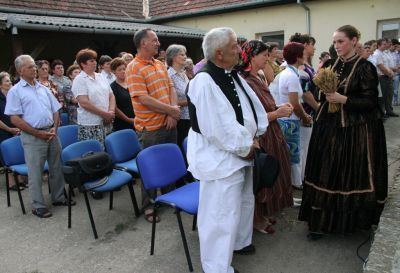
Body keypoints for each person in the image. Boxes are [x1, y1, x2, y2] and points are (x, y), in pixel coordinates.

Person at [187, 27, 268, 273]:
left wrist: (257, 134)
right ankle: (216, 267)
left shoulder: (230, 74)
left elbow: (250, 106)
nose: (239, 50)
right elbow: (217, 127)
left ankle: (240, 242)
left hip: (240, 150)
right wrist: (246, 146)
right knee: (220, 214)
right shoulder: (204, 81)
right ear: (219, 53)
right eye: (234, 46)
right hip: (219, 157)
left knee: (243, 200)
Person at [299, 25, 388, 239]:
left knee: (345, 175)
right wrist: (323, 92)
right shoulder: (329, 64)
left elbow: (370, 102)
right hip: (326, 128)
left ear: (354, 40)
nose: (337, 46)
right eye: (335, 41)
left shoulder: (365, 68)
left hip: (351, 132)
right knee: (324, 171)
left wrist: (344, 99)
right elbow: (317, 94)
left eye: (341, 41)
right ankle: (318, 223)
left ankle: (347, 223)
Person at [5, 55, 75, 218]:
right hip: (33, 137)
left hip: (51, 133)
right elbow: (14, 118)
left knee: (56, 167)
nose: (34, 69)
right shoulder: (15, 91)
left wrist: (54, 129)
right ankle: (38, 205)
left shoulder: (43, 88)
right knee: (35, 172)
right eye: (30, 67)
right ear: (20, 70)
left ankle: (58, 197)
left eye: (34, 66)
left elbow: (55, 109)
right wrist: (38, 133)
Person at [238, 40, 294, 234]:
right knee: (260, 178)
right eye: (264, 55)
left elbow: (265, 108)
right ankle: (255, 219)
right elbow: (252, 119)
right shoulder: (244, 81)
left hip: (271, 131)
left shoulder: (257, 76)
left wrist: (278, 108)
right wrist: (276, 114)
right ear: (252, 57)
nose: (267, 59)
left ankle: (262, 214)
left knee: (271, 175)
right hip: (261, 135)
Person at [126, 28, 180, 223]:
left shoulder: (158, 63)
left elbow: (171, 87)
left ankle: (169, 198)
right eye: (155, 40)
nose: (158, 43)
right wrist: (171, 111)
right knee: (150, 167)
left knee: (168, 163)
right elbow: (143, 98)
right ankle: (148, 205)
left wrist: (172, 111)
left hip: (168, 122)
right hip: (150, 128)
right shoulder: (133, 67)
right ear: (143, 43)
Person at [277, 42, 313, 190]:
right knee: (292, 155)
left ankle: (292, 185)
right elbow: (294, 103)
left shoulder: (289, 73)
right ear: (298, 57)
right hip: (290, 120)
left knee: (291, 154)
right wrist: (305, 117)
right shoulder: (291, 76)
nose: (305, 56)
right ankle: (294, 184)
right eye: (303, 54)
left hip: (287, 118)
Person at [289, 33, 320, 190]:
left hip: (307, 111)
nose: (314, 47)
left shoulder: (305, 66)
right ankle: (299, 179)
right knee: (301, 147)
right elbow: (305, 93)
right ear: (305, 45)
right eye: (312, 44)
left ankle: (302, 176)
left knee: (305, 146)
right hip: (304, 112)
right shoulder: (299, 69)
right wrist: (318, 107)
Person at [0, 71, 24, 191]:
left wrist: (19, 127)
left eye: (9, 80)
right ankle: (11, 182)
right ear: (0, 84)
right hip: (3, 131)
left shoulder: (12, 94)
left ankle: (19, 179)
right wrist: (9, 129)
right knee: (8, 156)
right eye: (7, 80)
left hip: (16, 128)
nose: (10, 82)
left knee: (18, 153)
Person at [166, 44, 190, 149]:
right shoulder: (169, 75)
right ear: (173, 57)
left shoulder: (183, 73)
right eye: (182, 55)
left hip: (189, 116)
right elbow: (169, 101)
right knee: (182, 146)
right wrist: (190, 101)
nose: (185, 57)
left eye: (185, 54)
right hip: (180, 119)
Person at [110, 58, 135, 131]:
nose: (123, 71)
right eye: (119, 70)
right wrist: (128, 120)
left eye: (124, 69)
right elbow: (115, 108)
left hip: (138, 119)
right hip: (122, 123)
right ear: (114, 72)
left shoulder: (132, 83)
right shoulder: (112, 87)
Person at [373, 38, 397, 117]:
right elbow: (382, 68)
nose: (386, 45)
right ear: (379, 45)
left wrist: (390, 73)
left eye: (385, 43)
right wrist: (389, 74)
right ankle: (384, 112)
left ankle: (388, 111)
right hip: (383, 77)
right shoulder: (378, 54)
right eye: (383, 44)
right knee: (384, 96)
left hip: (387, 76)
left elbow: (387, 66)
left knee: (388, 94)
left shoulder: (383, 53)